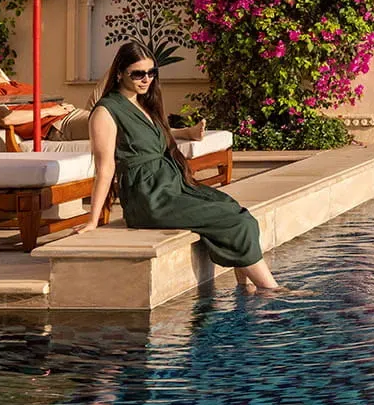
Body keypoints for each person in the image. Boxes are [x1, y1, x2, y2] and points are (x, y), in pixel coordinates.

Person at [81, 42, 283, 293]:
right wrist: (93, 220)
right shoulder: (105, 112)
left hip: (170, 185)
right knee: (234, 222)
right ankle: (270, 289)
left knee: (236, 211)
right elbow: (105, 168)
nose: (146, 80)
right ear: (120, 72)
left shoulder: (142, 103)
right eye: (138, 74)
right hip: (148, 197)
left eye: (151, 73)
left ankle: (246, 286)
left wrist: (186, 132)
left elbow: (151, 137)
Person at [0, 53, 90, 144]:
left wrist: (60, 107)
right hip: (56, 126)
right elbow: (6, 118)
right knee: (108, 124)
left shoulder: (14, 84)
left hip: (69, 115)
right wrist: (50, 111)